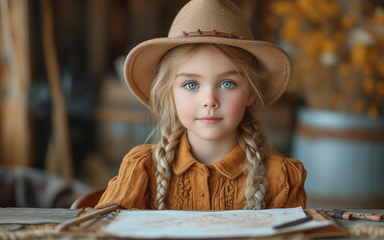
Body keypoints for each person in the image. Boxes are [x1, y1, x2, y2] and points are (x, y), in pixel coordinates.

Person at [95, 0, 306, 210]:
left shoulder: (280, 177)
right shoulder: (142, 169)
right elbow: (101, 229)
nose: (209, 101)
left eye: (227, 83)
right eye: (191, 84)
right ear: (170, 94)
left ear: (250, 92)